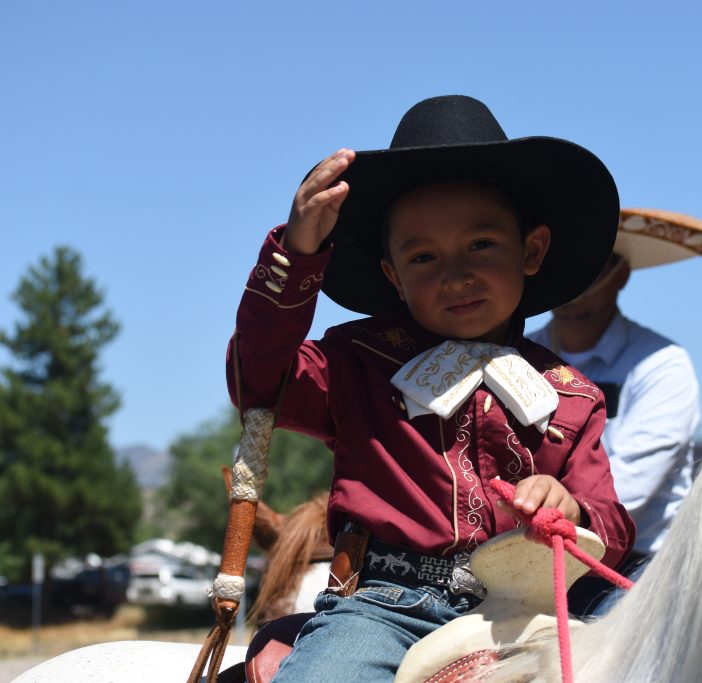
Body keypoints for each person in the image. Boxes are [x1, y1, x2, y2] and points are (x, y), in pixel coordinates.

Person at [226, 95, 635, 681]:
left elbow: (613, 525)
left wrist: (572, 510)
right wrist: (298, 255)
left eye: (481, 245)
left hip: (537, 598)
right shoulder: (353, 362)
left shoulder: (573, 395)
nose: (456, 274)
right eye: (422, 256)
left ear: (533, 250)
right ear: (392, 274)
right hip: (386, 608)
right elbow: (257, 379)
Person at [528, 207, 702, 617]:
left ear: (622, 275)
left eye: (593, 267)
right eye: (568, 266)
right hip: (530, 557)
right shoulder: (519, 357)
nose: (578, 279)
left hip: (634, 568)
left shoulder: (661, 363)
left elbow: (630, 489)